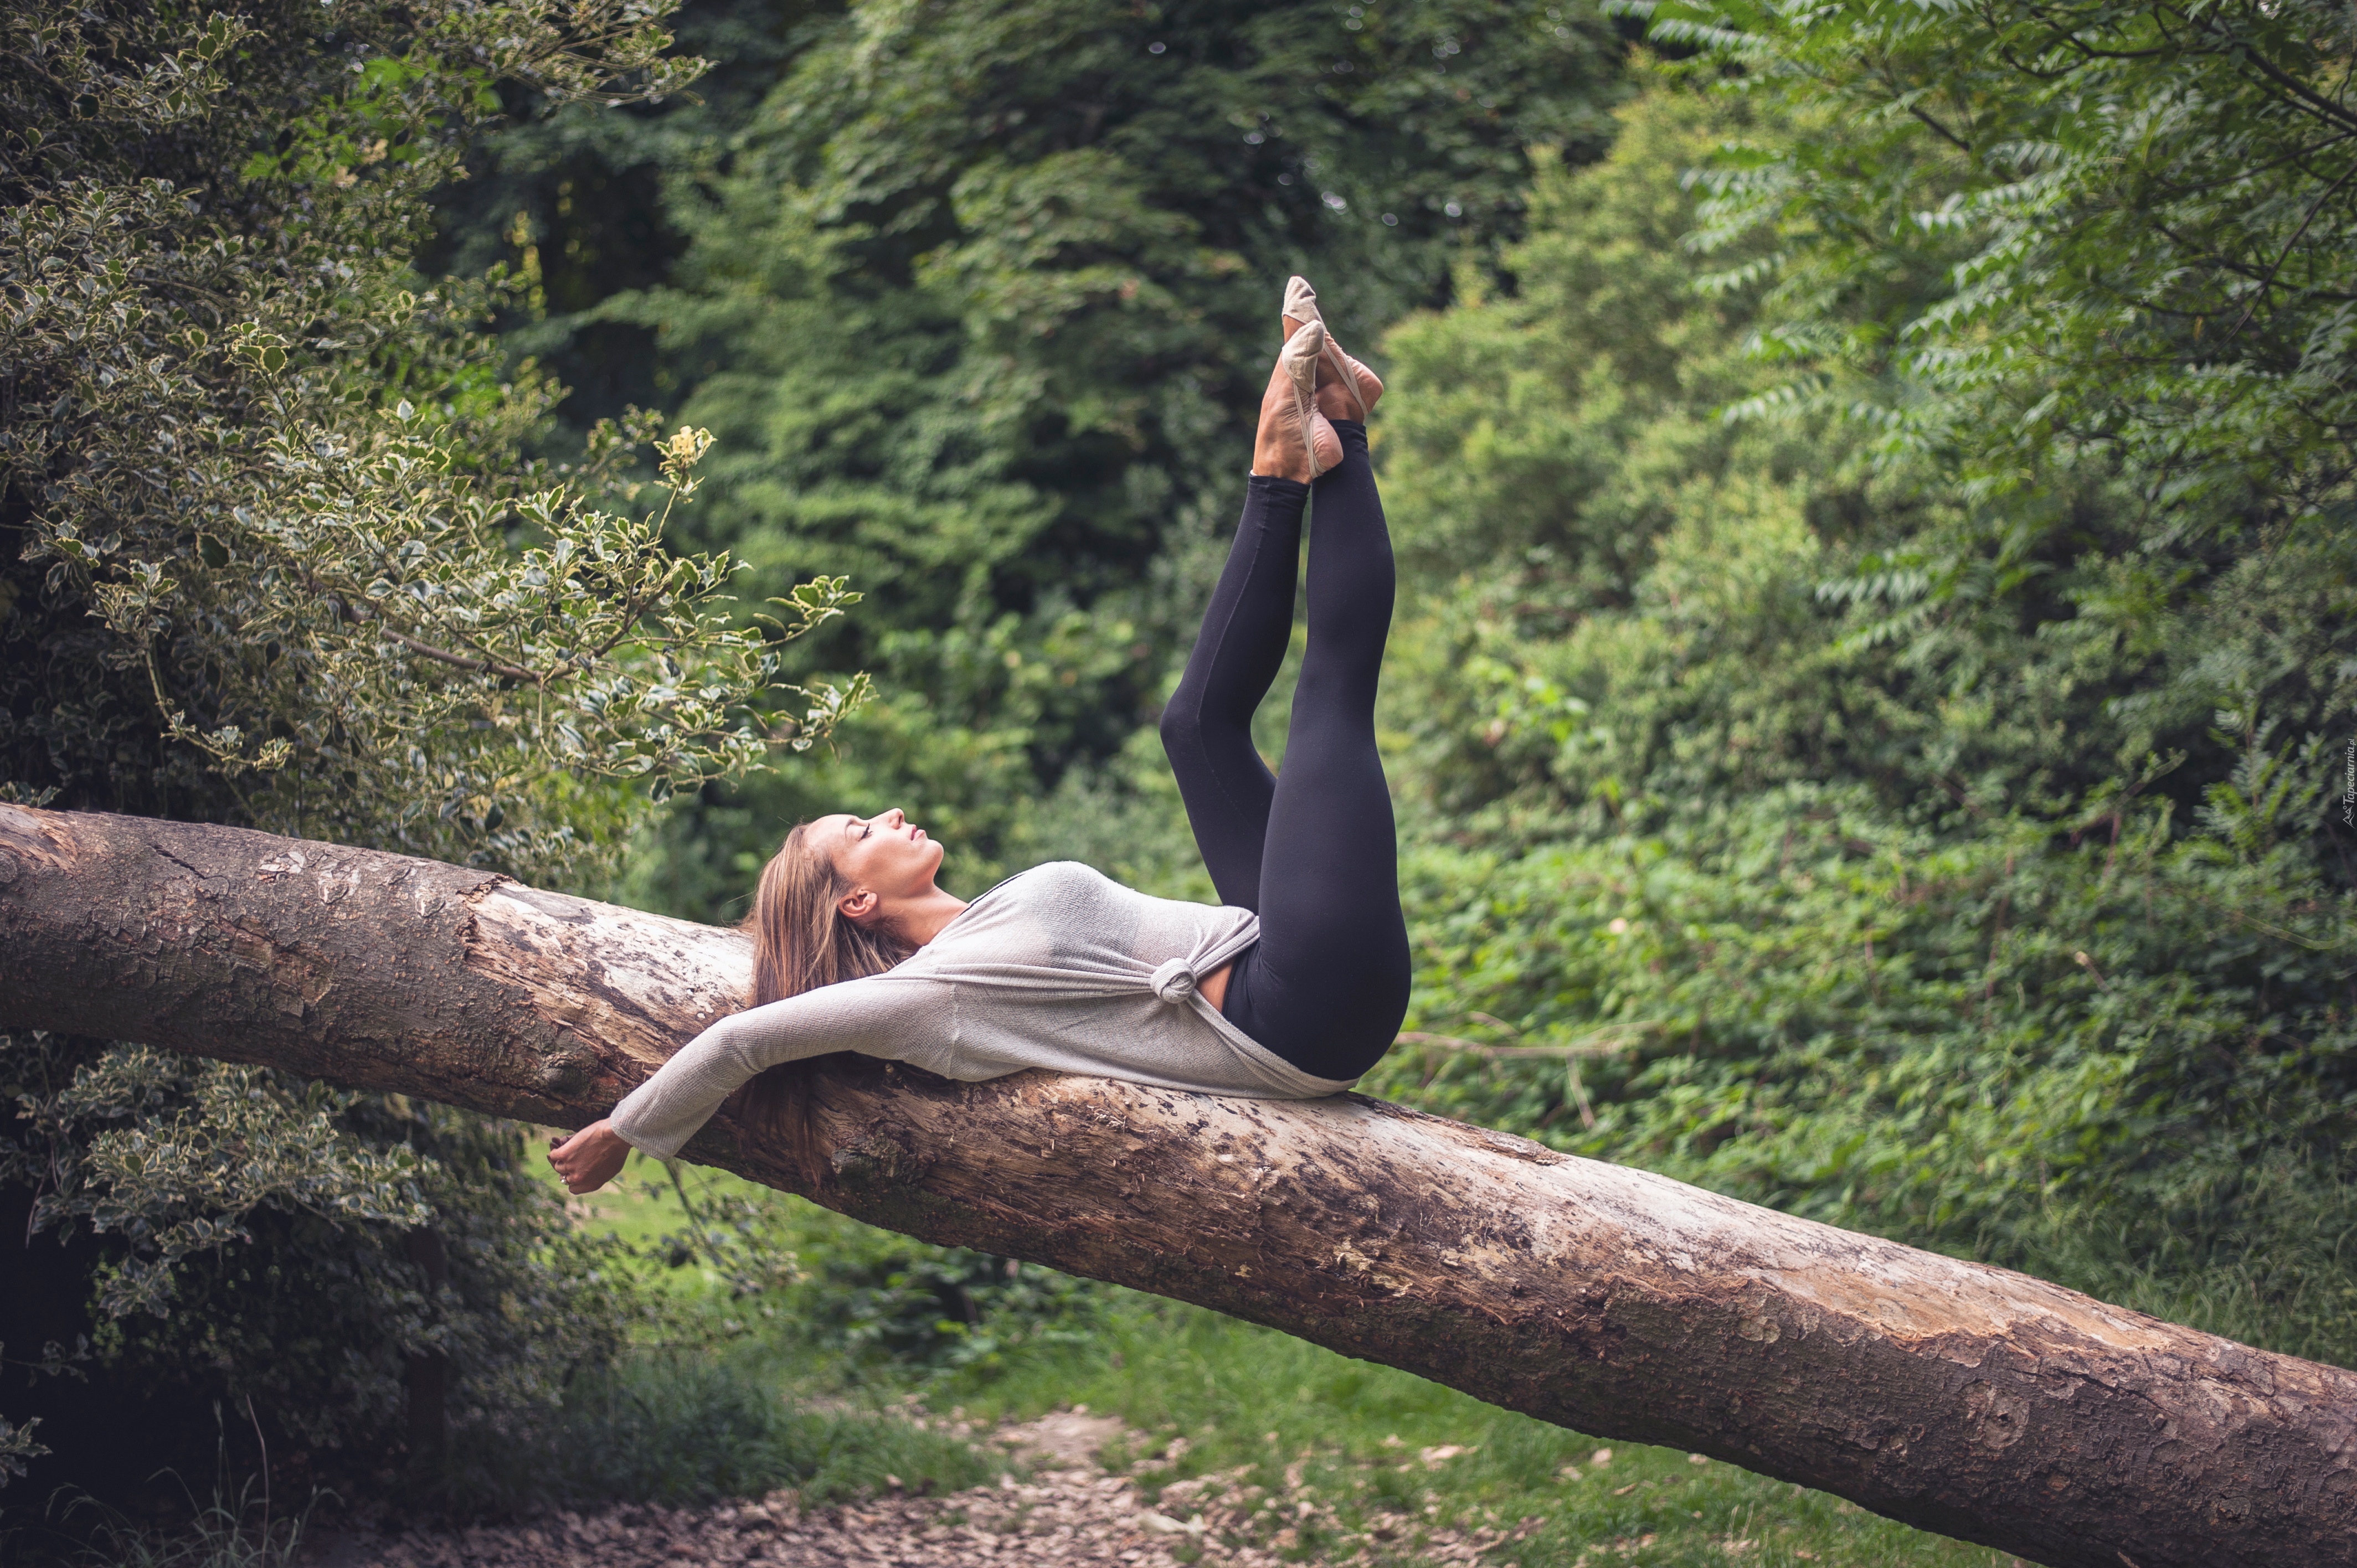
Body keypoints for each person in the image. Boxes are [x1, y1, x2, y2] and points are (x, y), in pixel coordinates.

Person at [548, 277, 1410, 1195]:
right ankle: (1343, 432)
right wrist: (626, 1128)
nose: (887, 815)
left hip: (1275, 950)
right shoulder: (931, 1000)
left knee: (1193, 729)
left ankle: (1283, 467)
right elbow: (744, 1039)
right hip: (1305, 1010)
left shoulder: (985, 921)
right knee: (1331, 696)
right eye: (861, 834)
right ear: (854, 907)